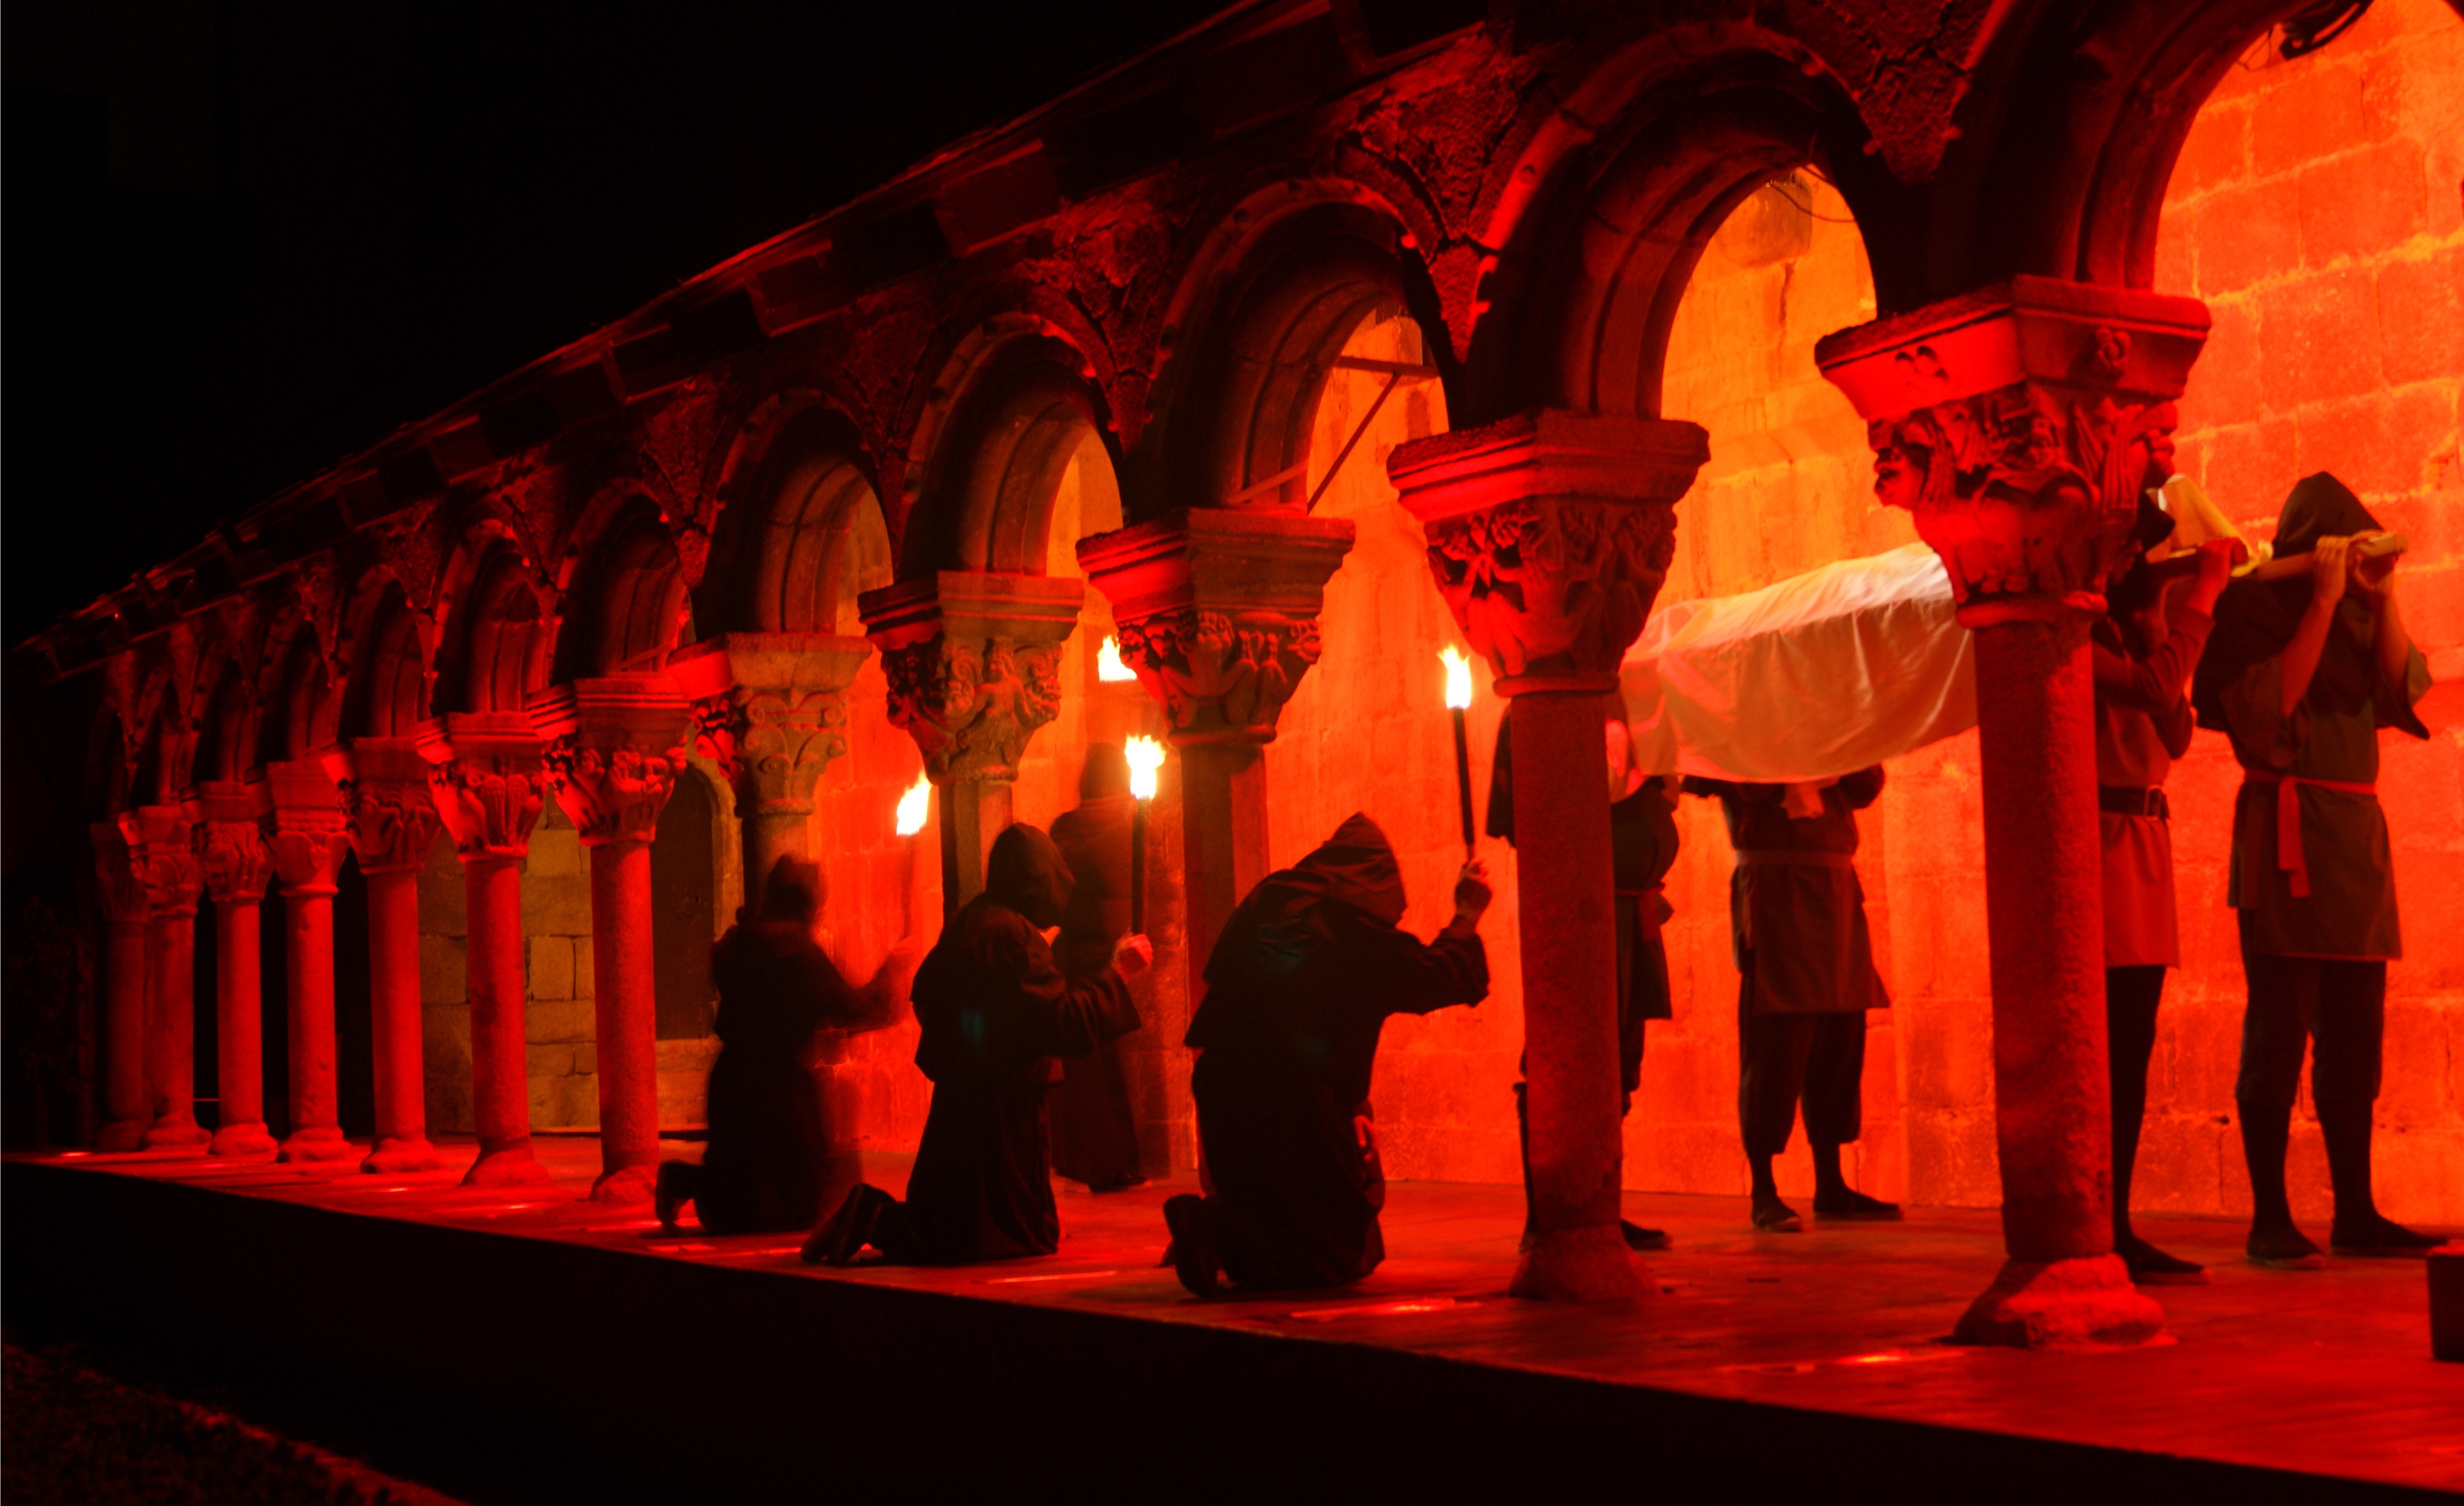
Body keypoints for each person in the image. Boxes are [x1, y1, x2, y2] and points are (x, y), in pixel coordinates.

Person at [2192, 472, 2440, 1268]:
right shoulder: (2253, 613)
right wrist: (2322, 601)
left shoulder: (2361, 619)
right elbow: (2269, 713)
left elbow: (2401, 689)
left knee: (2355, 1033)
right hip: (2286, 833)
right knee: (2279, 1027)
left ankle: (2356, 1211)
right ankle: (2269, 1217)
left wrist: (2383, 593)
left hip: (2355, 842)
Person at [1162, 815, 1490, 1296]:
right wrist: (1466, 912)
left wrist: (1350, 1104)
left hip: (1225, 1087)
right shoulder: (1351, 930)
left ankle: (1218, 1231)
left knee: (1271, 1216)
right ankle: (1211, 1228)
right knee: (1324, 1256)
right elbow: (1434, 975)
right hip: (1292, 1102)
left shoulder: (1270, 903)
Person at [804, 824, 1149, 1266]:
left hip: (962, 1100)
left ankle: (872, 1216)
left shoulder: (973, 919)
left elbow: (929, 991)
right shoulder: (1012, 936)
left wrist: (965, 1048)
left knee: (965, 1223)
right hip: (1000, 1108)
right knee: (993, 1235)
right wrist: (1117, 972)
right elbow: (1056, 1022)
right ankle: (871, 1214)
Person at [2093, 509, 2236, 1284]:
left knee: (2136, 1042)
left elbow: (2174, 732)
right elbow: (2152, 690)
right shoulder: (2075, 636)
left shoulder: (2128, 638)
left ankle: (2118, 1220)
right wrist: (2202, 597)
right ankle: (2100, 1222)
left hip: (2144, 837)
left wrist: (2156, 627)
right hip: (2105, 840)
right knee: (2109, 1044)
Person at [1487, 712, 1677, 1251]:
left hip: (1630, 919)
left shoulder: (1627, 714)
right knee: (1568, 1063)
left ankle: (1598, 1204)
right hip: (1593, 918)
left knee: (1618, 1068)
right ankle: (1556, 1212)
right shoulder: (1569, 716)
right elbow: (1598, 790)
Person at [1682, 767, 1896, 1232]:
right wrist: (1793, 744)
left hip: (1836, 893)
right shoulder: (1745, 728)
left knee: (1838, 1040)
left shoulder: (1829, 725)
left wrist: (1834, 740)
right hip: (1775, 891)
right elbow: (1745, 783)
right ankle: (1764, 1190)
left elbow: (1865, 787)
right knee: (1775, 1045)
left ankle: (1831, 1183)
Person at [654, 857, 917, 1235]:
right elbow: (851, 1008)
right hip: (780, 1090)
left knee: (739, 1178)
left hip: (733, 1080)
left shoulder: (740, 944)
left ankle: (684, 1182)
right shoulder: (799, 955)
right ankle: (688, 1184)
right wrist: (892, 971)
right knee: (791, 1194)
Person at [1046, 745, 1147, 1191]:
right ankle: (1100, 1163)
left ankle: (1108, 1161)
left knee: (1100, 1067)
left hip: (1102, 953)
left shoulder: (1099, 826)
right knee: (1089, 1068)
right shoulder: (1078, 830)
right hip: (1083, 959)